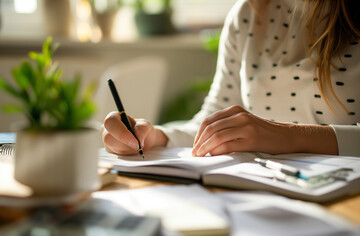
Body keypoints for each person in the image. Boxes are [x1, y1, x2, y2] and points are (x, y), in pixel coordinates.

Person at [101, 0, 360, 158]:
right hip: (263, 195)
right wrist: (156, 137)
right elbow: (213, 119)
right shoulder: (249, 14)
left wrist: (289, 137)